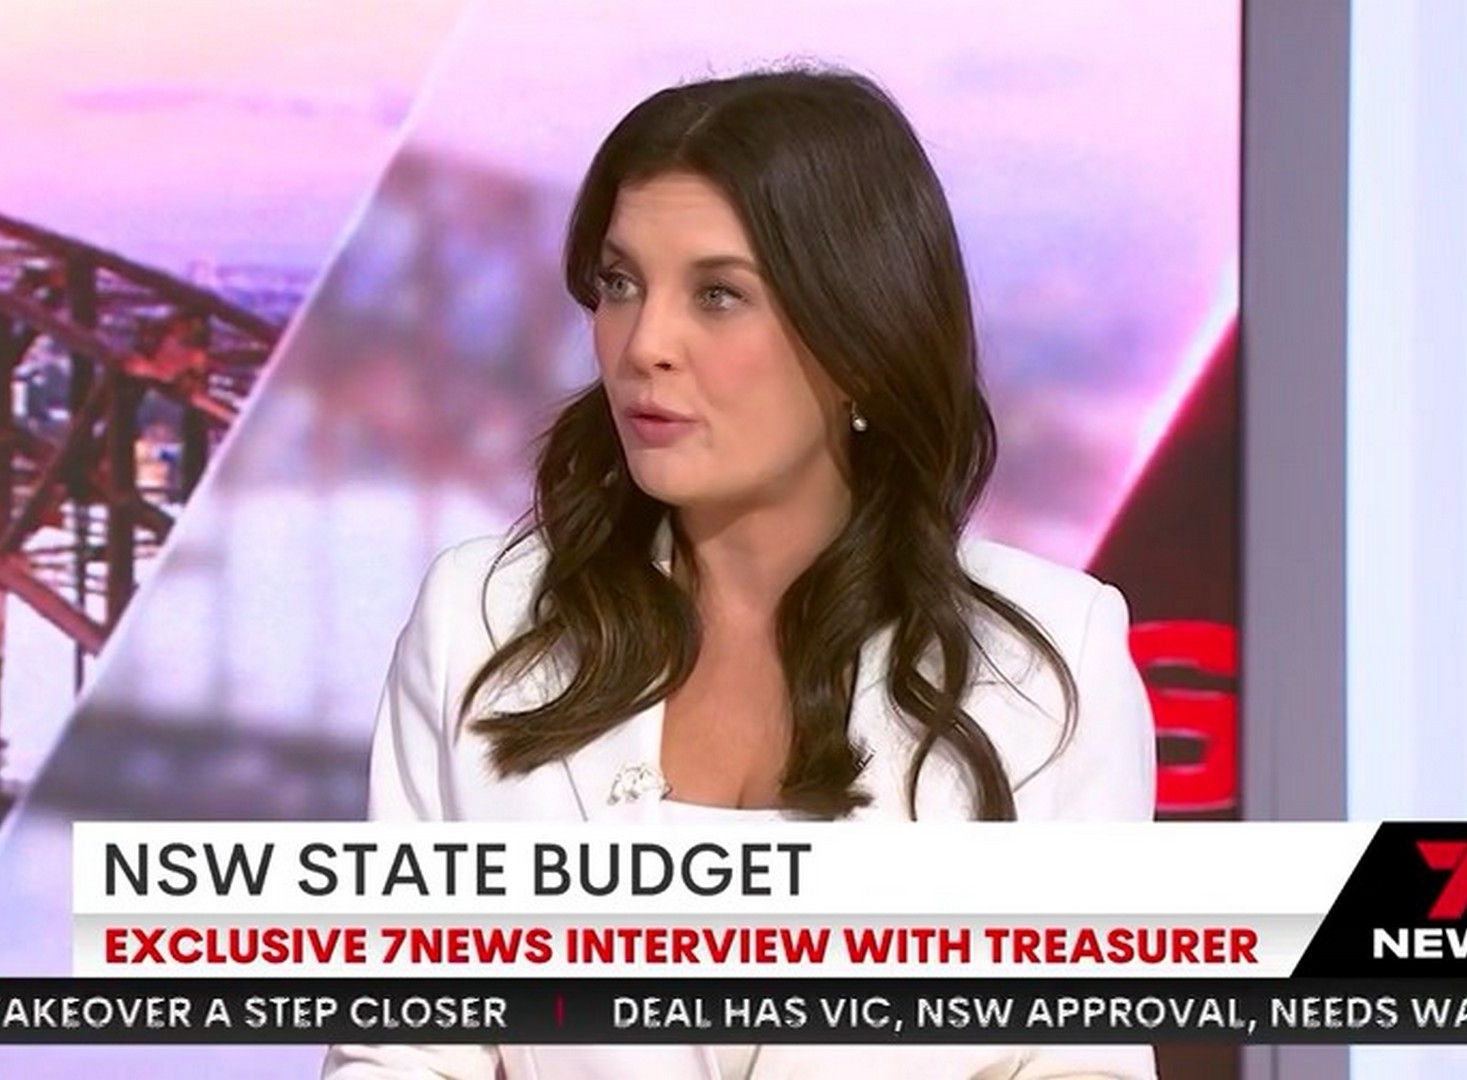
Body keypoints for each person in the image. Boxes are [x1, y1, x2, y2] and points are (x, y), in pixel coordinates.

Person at [324, 64, 1158, 1080]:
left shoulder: (1049, 661)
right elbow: (401, 1051)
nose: (644, 345)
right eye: (620, 284)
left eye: (718, 295)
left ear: (862, 341)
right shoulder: (483, 622)